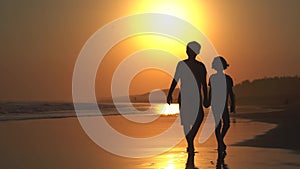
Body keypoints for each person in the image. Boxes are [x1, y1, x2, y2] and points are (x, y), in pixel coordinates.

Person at [167, 41, 209, 153]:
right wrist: (170, 93)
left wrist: (206, 98)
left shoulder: (200, 66)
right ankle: (190, 144)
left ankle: (190, 140)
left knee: (197, 118)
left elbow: (204, 84)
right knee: (187, 121)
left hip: (192, 96)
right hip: (187, 95)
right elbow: (176, 79)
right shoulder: (183, 64)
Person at [208, 56, 236, 154]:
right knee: (218, 124)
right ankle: (220, 142)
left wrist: (233, 103)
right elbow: (211, 92)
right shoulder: (212, 78)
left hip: (223, 104)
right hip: (215, 103)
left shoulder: (228, 79)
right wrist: (208, 101)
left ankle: (220, 141)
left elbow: (231, 93)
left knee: (226, 123)